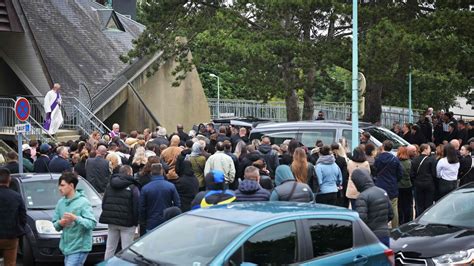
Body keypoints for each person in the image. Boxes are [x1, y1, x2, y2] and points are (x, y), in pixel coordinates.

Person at [52, 172, 96, 266]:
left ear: (71, 185)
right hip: (66, 248)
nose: (59, 188)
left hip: (80, 247)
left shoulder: (83, 202)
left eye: (62, 185)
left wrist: (76, 218)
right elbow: (55, 225)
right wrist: (60, 223)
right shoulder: (60, 203)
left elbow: (92, 223)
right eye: (59, 185)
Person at [99, 165, 140, 260]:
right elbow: (136, 206)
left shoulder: (110, 185)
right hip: (127, 223)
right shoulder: (133, 187)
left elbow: (104, 202)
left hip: (112, 221)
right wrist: (135, 222)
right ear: (129, 173)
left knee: (110, 248)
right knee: (126, 249)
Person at [352, 168, 393, 247]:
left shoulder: (362, 197)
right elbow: (391, 214)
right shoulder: (382, 191)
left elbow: (361, 220)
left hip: (370, 236)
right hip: (385, 233)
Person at [139, 163, 180, 231]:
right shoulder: (170, 186)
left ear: (151, 172)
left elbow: (142, 207)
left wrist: (143, 222)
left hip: (151, 222)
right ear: (162, 171)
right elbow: (177, 204)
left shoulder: (145, 188)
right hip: (167, 221)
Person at [0, 168, 26, 266]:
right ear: (9, 179)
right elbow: (23, 216)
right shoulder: (16, 196)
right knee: (10, 263)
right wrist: (19, 230)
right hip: (11, 236)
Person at [374, 140, 403, 228]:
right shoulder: (395, 159)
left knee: (380, 208)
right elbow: (400, 174)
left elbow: (375, 171)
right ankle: (395, 227)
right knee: (394, 209)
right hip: (392, 186)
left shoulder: (378, 158)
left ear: (382, 147)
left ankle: (381, 227)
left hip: (380, 186)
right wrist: (394, 180)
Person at [410, 144, 437, 216]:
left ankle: (419, 218)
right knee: (428, 203)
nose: (430, 151)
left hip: (418, 184)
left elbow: (412, 174)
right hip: (429, 184)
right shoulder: (431, 160)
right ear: (425, 149)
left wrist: (415, 181)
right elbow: (434, 174)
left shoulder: (415, 159)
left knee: (419, 204)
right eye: (429, 149)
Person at [396, 146, 413, 225]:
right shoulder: (409, 162)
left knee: (399, 205)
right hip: (408, 185)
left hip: (398, 185)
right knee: (408, 204)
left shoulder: (396, 162)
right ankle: (408, 220)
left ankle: (400, 221)